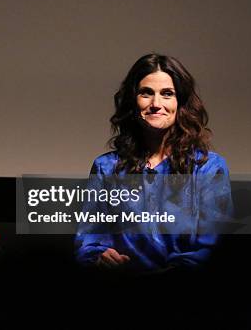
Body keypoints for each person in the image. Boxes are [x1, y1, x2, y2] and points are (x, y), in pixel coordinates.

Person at [75, 53, 233, 272]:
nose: (156, 104)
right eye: (146, 93)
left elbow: (213, 246)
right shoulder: (106, 167)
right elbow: (89, 238)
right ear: (133, 100)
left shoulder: (208, 167)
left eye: (167, 94)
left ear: (181, 103)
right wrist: (98, 255)